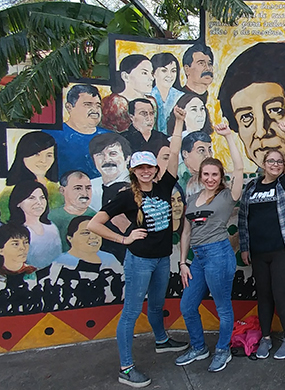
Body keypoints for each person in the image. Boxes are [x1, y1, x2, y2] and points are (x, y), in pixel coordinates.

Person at [87, 105, 187, 388]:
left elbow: (176, 150)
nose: (146, 171)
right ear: (134, 170)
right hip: (140, 260)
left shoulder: (164, 186)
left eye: (149, 167)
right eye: (140, 167)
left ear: (155, 169)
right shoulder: (125, 196)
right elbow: (94, 224)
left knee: (156, 304)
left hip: (161, 259)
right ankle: (126, 368)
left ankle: (162, 340)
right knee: (131, 311)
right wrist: (124, 239)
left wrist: (178, 123)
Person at [237, 120, 285, 360]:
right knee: (264, 296)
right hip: (259, 252)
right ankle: (266, 338)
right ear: (263, 164)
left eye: (279, 161)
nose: (275, 165)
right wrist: (245, 248)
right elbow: (243, 219)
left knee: (281, 295)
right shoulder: (251, 188)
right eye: (271, 161)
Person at [175, 123, 244, 371]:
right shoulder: (192, 200)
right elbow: (186, 231)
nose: (211, 178)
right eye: (207, 174)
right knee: (187, 306)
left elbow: (239, 167)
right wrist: (183, 262)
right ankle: (198, 347)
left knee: (222, 307)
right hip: (199, 259)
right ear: (200, 176)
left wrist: (228, 137)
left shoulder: (227, 197)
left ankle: (223, 350)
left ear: (220, 177)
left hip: (219, 254)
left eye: (215, 175)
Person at [44, 84, 110, 179]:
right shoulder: (51, 135)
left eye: (98, 105)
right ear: (69, 107)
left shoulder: (110, 137)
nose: (95, 110)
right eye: (88, 104)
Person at [0, 131, 63, 223]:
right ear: (23, 155)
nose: (43, 161)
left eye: (49, 155)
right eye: (36, 154)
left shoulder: (57, 189)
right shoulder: (9, 192)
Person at [9, 181, 62, 270]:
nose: (39, 202)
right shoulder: (13, 232)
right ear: (18, 202)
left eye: (42, 198)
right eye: (31, 198)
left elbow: (59, 256)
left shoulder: (51, 227)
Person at [102, 54, 155, 133]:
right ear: (125, 76)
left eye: (151, 73)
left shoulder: (151, 101)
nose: (151, 78)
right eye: (144, 73)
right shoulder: (116, 102)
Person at [54, 215, 122, 273]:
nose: (94, 237)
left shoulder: (110, 259)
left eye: (97, 232)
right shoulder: (60, 263)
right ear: (70, 238)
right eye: (85, 233)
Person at [49, 170, 96, 251]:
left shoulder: (97, 218)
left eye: (88, 188)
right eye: (78, 188)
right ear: (62, 190)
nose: (85, 194)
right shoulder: (51, 218)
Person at [88, 133, 132, 212]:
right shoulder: (89, 187)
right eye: (100, 154)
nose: (107, 159)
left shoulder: (138, 184)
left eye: (113, 154)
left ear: (127, 158)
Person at [150, 53, 183, 133]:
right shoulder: (147, 96)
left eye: (173, 71)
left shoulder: (181, 97)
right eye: (164, 70)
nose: (169, 75)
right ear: (154, 73)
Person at [177, 131, 214, 196]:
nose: (208, 155)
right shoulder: (176, 176)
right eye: (201, 150)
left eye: (209, 150)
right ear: (185, 154)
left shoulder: (214, 174)